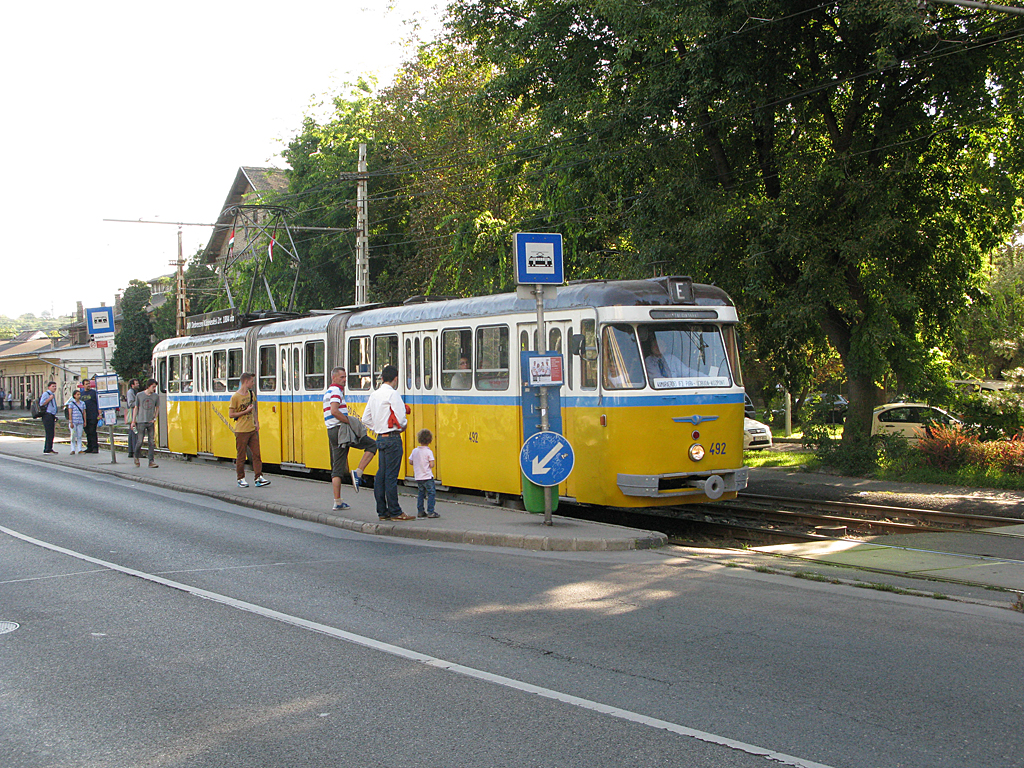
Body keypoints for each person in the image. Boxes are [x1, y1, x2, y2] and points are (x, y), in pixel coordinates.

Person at [361, 364, 413, 521]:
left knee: (381, 476)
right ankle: (396, 511)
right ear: (395, 379)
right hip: (392, 438)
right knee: (391, 477)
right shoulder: (393, 394)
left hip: (380, 438)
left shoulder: (374, 395)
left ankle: (382, 511)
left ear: (382, 378)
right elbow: (402, 419)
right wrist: (401, 427)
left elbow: (365, 419)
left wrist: (378, 427)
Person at [323, 367, 376, 510]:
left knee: (337, 466)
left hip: (332, 431)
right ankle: (358, 472)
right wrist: (348, 421)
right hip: (341, 430)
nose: (345, 380)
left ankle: (337, 501)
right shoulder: (336, 391)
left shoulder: (328, 392)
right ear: (333, 378)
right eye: (342, 377)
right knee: (372, 445)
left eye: (345, 377)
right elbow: (334, 411)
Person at [229, 372, 269, 489]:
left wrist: (256, 422)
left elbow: (254, 409)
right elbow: (231, 414)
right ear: (246, 382)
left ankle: (258, 477)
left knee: (256, 454)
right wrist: (245, 412)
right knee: (241, 456)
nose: (253, 383)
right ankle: (240, 478)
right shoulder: (235, 397)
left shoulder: (251, 394)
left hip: (251, 429)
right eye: (251, 381)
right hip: (241, 431)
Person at [408, 429, 438, 519]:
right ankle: (431, 512)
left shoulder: (415, 451)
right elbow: (431, 465)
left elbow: (410, 461)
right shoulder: (428, 452)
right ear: (430, 440)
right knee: (431, 493)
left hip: (418, 477)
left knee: (421, 493)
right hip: (427, 476)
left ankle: (420, 511)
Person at [131, 379, 160, 469]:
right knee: (140, 441)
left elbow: (157, 407)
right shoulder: (139, 395)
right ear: (149, 386)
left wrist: (155, 417)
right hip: (141, 421)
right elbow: (136, 408)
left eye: (155, 387)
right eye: (153, 387)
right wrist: (133, 421)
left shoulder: (156, 396)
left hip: (150, 421)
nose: (154, 389)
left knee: (151, 442)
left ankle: (151, 461)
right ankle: (136, 456)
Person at [80, 378, 100, 453]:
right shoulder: (81, 394)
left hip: (93, 415)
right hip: (85, 416)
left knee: (92, 431)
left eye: (89, 383)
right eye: (86, 384)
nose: (88, 385)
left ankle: (95, 447)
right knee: (87, 432)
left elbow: (98, 403)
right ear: (83, 385)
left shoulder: (93, 393)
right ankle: (89, 447)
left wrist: (99, 414)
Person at [39, 382, 59, 454]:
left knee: (51, 432)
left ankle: (49, 448)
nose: (54, 388)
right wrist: (49, 399)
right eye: (53, 386)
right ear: (49, 387)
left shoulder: (52, 394)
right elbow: (42, 403)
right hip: (47, 415)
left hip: (51, 415)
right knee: (49, 432)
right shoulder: (46, 394)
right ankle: (47, 449)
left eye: (55, 386)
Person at [66, 389, 86, 455]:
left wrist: (84, 421)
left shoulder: (82, 403)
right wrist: (71, 422)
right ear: (74, 395)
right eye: (77, 394)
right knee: (73, 436)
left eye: (79, 394)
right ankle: (73, 449)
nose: (79, 396)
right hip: (74, 421)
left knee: (79, 436)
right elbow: (70, 413)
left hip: (80, 421)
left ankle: (80, 449)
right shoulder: (71, 403)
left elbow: (84, 413)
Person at [125, 379, 140, 458]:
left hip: (133, 414)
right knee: (135, 432)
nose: (138, 384)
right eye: (136, 383)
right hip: (133, 414)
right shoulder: (131, 392)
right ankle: (135, 451)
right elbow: (130, 403)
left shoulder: (134, 391)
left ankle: (131, 451)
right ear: (132, 385)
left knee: (132, 433)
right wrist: (139, 402)